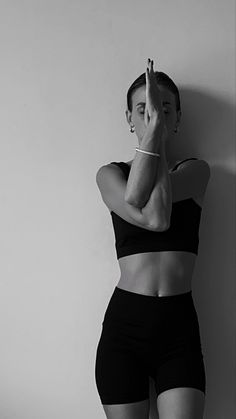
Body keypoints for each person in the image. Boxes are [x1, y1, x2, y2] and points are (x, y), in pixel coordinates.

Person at [95, 58, 211, 419]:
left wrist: (154, 135)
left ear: (177, 118)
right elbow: (150, 212)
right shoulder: (109, 175)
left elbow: (156, 215)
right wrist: (154, 135)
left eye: (164, 109)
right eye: (143, 110)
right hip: (124, 328)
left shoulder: (196, 170)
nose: (153, 117)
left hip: (179, 330)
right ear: (129, 118)